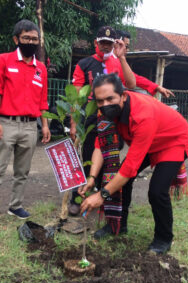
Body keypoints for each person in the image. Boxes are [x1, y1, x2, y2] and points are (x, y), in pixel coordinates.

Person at [79, 74, 188, 254]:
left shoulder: (143, 115)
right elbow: (100, 145)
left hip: (173, 141)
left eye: (110, 98)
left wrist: (101, 195)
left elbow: (129, 168)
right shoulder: (105, 112)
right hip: (148, 142)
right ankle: (118, 225)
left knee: (157, 191)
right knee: (122, 184)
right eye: (100, 101)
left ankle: (163, 238)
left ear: (123, 95)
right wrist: (92, 177)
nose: (105, 105)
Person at [0, 19, 51, 227]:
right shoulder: (3, 61)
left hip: (29, 126)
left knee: (22, 171)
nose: (31, 42)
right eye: (26, 38)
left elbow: (43, 100)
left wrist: (44, 125)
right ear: (16, 39)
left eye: (35, 39)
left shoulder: (41, 69)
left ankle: (15, 205)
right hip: (5, 124)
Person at [67, 26, 136, 216]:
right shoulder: (84, 63)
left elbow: (132, 84)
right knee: (88, 158)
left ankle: (104, 196)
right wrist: (74, 123)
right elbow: (75, 97)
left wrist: (122, 58)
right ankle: (78, 197)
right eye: (102, 42)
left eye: (110, 43)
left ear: (115, 45)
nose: (106, 47)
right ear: (95, 43)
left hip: (114, 119)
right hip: (90, 119)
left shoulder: (118, 63)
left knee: (110, 159)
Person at [116, 30, 175, 98]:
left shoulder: (119, 62)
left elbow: (134, 78)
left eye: (127, 47)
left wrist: (157, 87)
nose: (127, 50)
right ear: (117, 43)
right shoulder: (108, 60)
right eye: (126, 46)